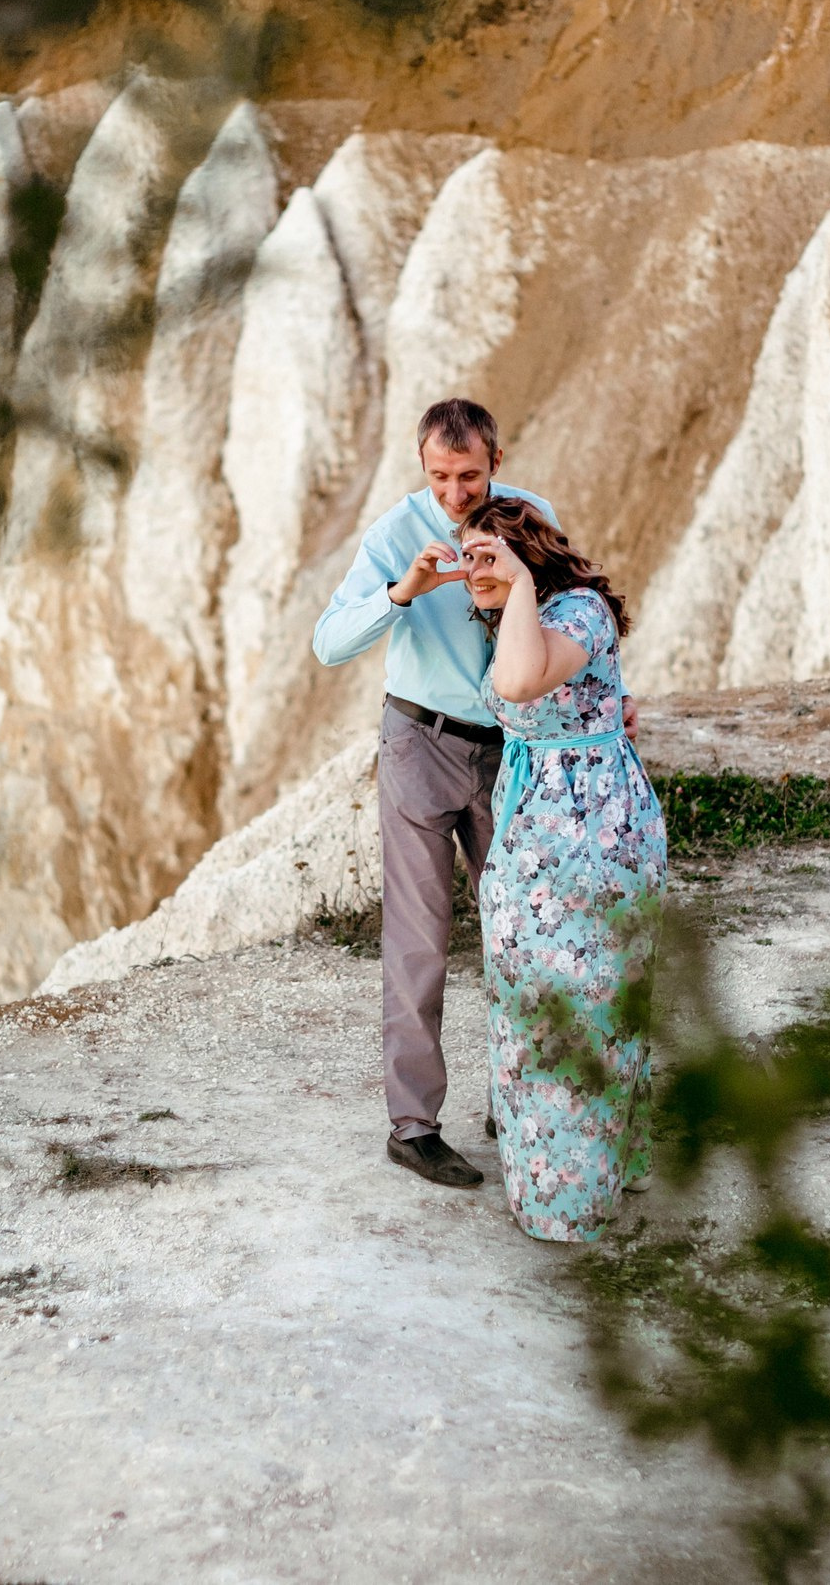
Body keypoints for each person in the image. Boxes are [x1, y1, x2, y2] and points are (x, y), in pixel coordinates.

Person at [311, 399, 578, 1190]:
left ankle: (519, 1093)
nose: (456, 492)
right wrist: (405, 589)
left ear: (496, 458)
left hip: (512, 750)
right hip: (418, 740)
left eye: (469, 475)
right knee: (420, 940)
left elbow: (575, 609)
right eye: (440, 477)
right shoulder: (395, 533)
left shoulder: (533, 516)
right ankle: (415, 1127)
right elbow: (328, 642)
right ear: (421, 466)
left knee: (523, 929)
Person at [456, 496, 666, 1242]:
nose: (471, 569)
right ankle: (546, 1180)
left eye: (488, 554)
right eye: (466, 556)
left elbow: (520, 684)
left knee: (592, 1002)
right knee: (529, 1008)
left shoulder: (577, 611)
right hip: (530, 840)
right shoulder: (522, 611)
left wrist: (512, 586)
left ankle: (576, 1196)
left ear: (525, 552)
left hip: (593, 838)